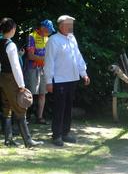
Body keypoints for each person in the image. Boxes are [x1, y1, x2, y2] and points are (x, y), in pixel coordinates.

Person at [44, 15, 90, 147]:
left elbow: (78, 56)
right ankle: (56, 135)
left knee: (68, 107)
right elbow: (49, 61)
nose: (71, 27)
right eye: (69, 24)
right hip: (59, 80)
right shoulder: (53, 40)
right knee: (59, 108)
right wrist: (48, 81)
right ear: (61, 26)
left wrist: (84, 74)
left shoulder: (72, 38)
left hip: (72, 78)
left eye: (72, 24)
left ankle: (65, 133)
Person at [0, 17, 43, 147]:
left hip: (2, 78)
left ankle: (8, 140)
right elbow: (16, 66)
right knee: (20, 108)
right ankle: (28, 141)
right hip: (11, 79)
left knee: (6, 108)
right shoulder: (11, 45)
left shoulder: (0, 42)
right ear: (12, 29)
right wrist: (21, 85)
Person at [25, 19, 55, 124]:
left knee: (43, 93)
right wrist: (45, 58)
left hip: (44, 69)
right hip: (32, 68)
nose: (50, 32)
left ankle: (39, 117)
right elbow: (30, 55)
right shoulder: (31, 36)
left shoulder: (48, 38)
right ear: (43, 28)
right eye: (49, 30)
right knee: (30, 93)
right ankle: (26, 117)